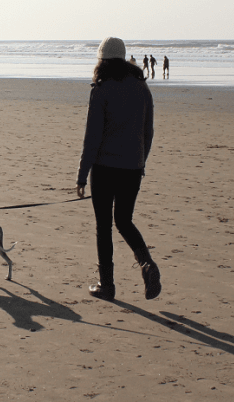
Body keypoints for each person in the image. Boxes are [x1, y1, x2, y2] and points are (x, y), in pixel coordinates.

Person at [76, 36, 160, 301]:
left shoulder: (100, 89)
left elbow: (92, 137)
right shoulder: (142, 88)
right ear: (123, 59)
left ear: (102, 60)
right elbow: (148, 132)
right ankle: (147, 263)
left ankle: (107, 285)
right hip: (132, 168)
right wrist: (140, 161)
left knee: (104, 226)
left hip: (104, 168)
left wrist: (81, 175)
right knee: (124, 220)